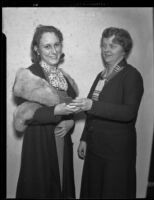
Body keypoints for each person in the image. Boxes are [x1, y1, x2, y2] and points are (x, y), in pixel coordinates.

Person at [69, 27, 144, 198]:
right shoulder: (101, 75)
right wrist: (84, 139)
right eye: (103, 45)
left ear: (124, 49)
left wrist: (91, 105)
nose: (106, 50)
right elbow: (91, 112)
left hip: (116, 153)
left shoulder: (132, 75)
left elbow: (129, 113)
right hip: (95, 148)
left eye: (112, 46)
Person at [12, 25, 80, 199]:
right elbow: (24, 115)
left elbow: (69, 109)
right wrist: (56, 111)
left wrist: (70, 121)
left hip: (62, 140)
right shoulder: (29, 75)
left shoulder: (65, 77)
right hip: (40, 141)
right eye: (47, 46)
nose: (53, 51)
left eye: (57, 45)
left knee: (62, 187)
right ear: (37, 49)